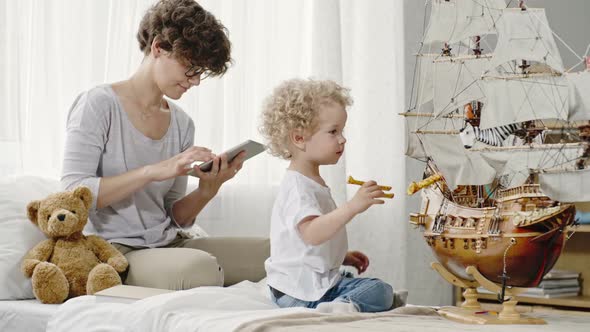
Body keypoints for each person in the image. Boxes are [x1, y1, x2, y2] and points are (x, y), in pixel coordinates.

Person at [61, 0, 268, 291]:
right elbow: (72, 195)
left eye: (202, 72)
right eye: (191, 68)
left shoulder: (182, 123)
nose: (195, 81)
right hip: (115, 251)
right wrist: (152, 171)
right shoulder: (98, 104)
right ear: (158, 47)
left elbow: (176, 216)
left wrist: (209, 189)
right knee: (200, 270)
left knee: (275, 254)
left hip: (168, 243)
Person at [259, 78, 407, 313]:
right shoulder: (298, 188)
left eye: (342, 131)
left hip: (303, 288)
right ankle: (344, 307)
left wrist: (341, 256)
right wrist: (352, 207)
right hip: (299, 293)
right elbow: (312, 233)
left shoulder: (308, 181)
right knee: (379, 290)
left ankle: (352, 302)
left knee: (372, 286)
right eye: (333, 132)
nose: (342, 139)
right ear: (299, 138)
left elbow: (305, 246)